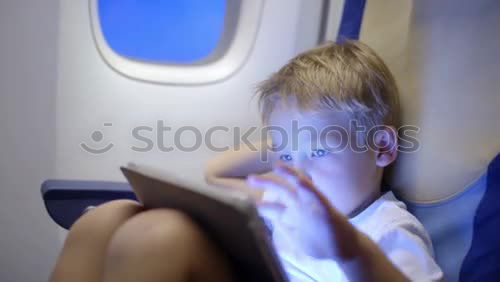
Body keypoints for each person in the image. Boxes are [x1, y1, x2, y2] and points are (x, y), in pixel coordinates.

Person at [49, 40, 442, 282]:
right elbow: (215, 174)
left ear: (383, 147)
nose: (298, 172)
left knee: (160, 238)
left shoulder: (388, 230)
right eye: (285, 155)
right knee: (109, 217)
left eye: (320, 152)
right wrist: (296, 141)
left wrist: (348, 248)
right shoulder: (287, 196)